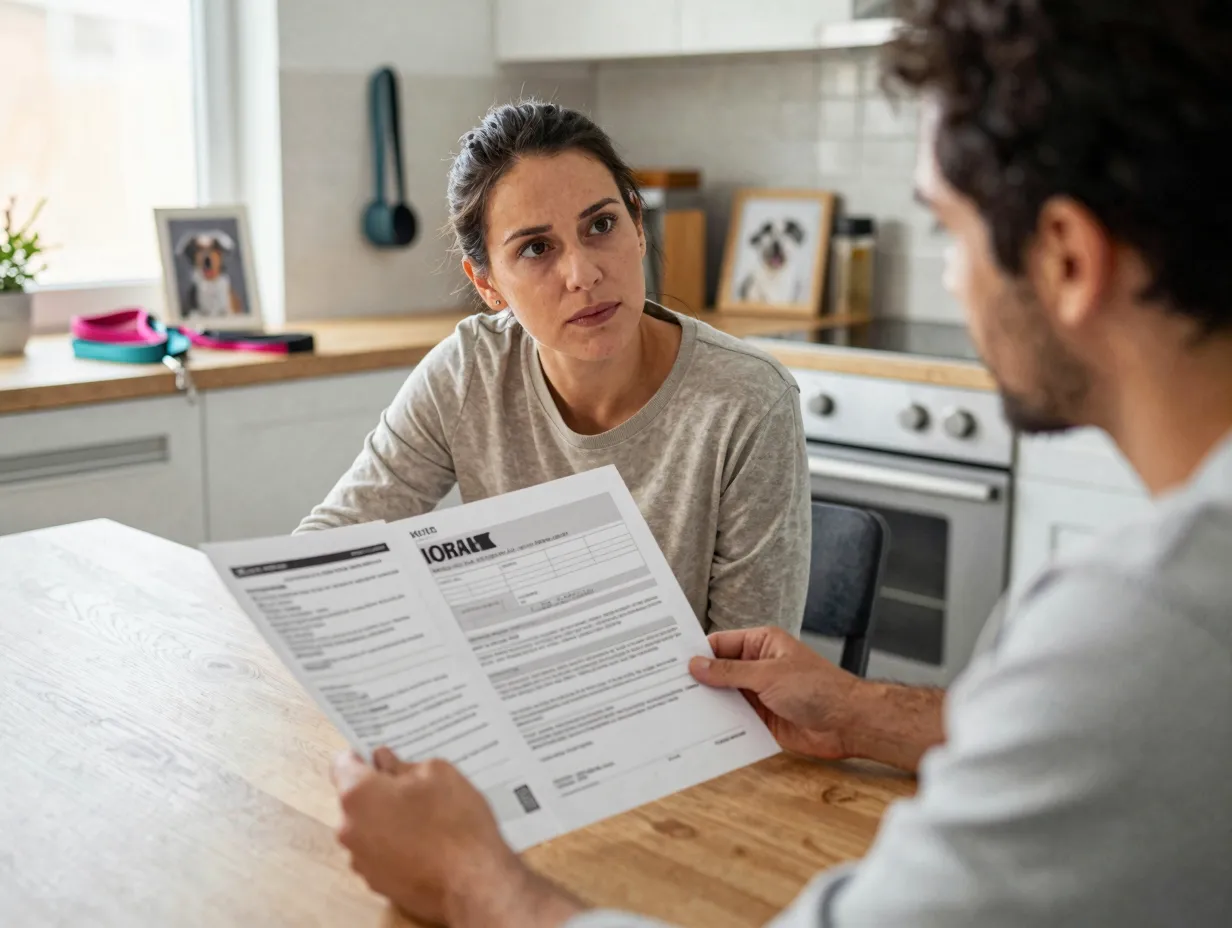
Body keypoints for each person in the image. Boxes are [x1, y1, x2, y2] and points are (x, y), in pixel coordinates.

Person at [328, 2, 1232, 926]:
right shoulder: (1153, 628)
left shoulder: (1141, 630)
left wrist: (468, 879)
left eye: (948, 232)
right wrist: (859, 709)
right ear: (488, 280)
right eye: (536, 249)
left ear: (1068, 258)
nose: (949, 282)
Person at [295, 101, 810, 636]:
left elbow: (754, 665)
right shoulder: (469, 372)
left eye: (601, 225)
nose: (582, 274)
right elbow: (331, 545)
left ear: (638, 226)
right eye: (536, 248)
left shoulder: (748, 400)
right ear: (486, 283)